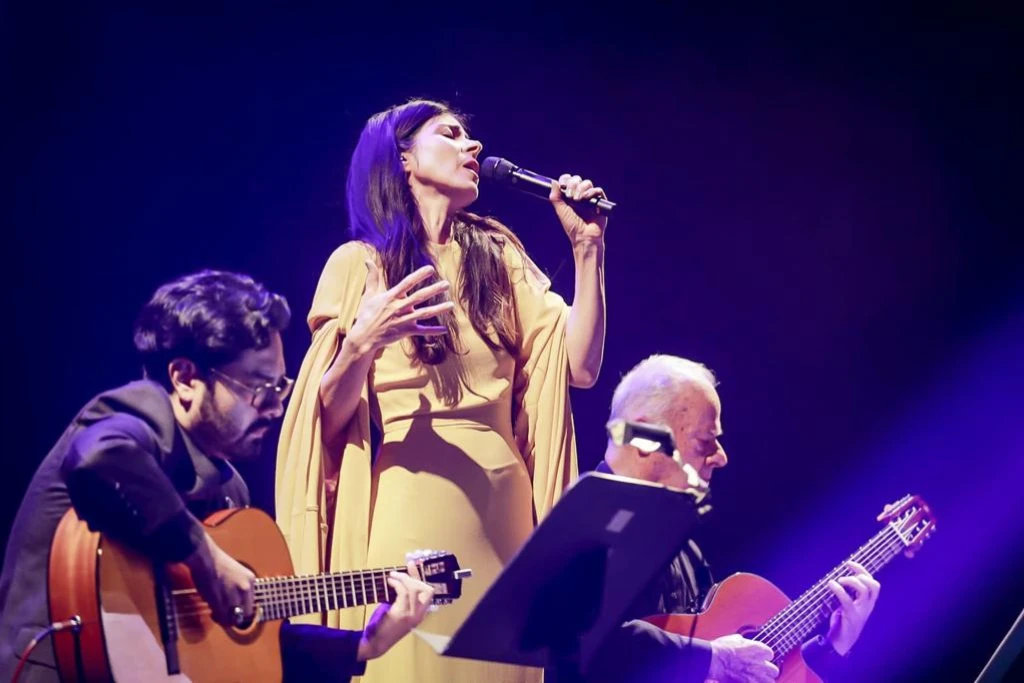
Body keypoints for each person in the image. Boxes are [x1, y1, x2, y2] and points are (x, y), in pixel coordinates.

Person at [276, 98, 608, 683]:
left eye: (468, 136)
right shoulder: (360, 264)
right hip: (414, 503)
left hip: (506, 511)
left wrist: (588, 250)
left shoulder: (499, 254)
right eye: (449, 134)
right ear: (402, 158)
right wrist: (362, 343)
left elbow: (579, 368)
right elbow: (324, 421)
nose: (472, 146)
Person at [0, 270, 435, 683]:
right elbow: (101, 457)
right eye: (259, 388)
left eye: (280, 388)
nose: (275, 408)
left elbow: (253, 638)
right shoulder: (139, 415)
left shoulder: (228, 490)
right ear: (185, 378)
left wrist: (364, 644)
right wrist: (204, 556)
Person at [586, 355, 880, 683]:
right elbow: (584, 646)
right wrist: (713, 659)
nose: (721, 457)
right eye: (704, 440)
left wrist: (831, 647)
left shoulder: (684, 549)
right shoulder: (586, 523)